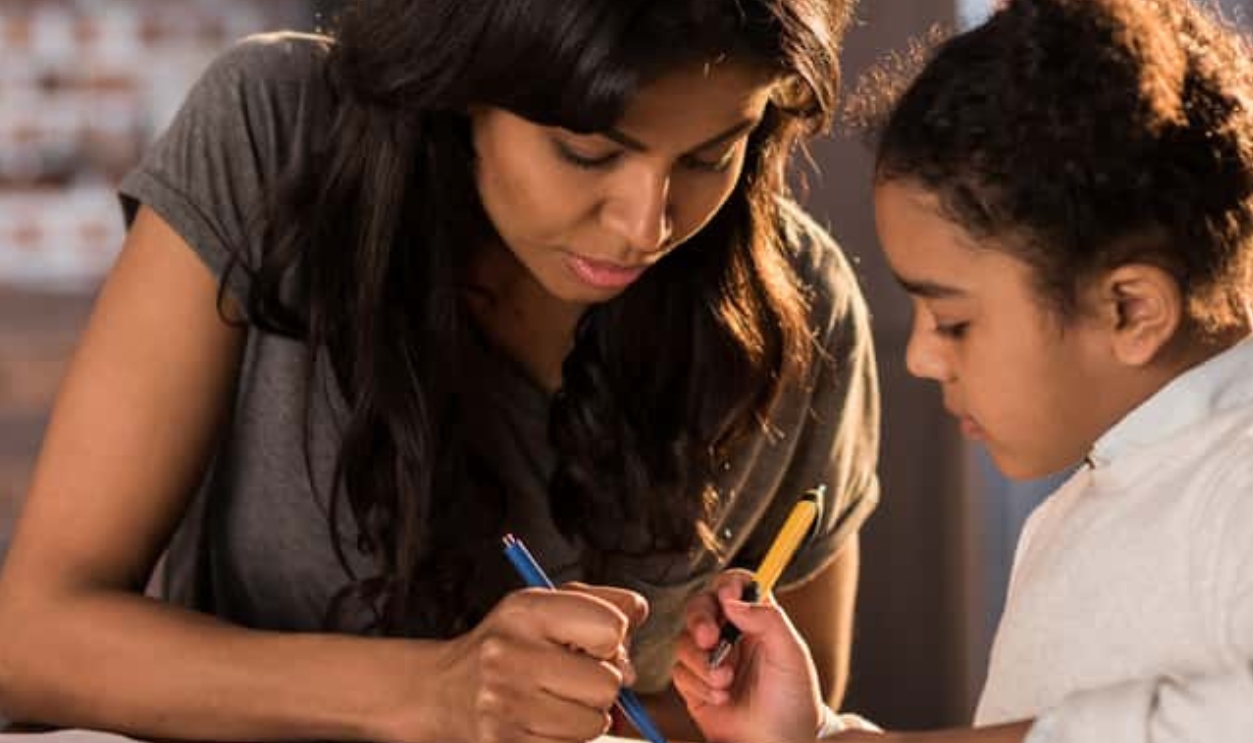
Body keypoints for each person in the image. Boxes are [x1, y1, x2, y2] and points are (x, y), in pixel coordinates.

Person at [0, 0, 881, 741]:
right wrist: (434, 691)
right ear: (464, 82)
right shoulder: (275, 131)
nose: (643, 226)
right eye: (587, 153)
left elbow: (783, 719)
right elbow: (31, 643)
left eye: (709, 156)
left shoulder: (803, 311)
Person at [673, 0, 1253, 741]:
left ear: (1130, 310)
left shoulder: (1234, 485)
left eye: (952, 322)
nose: (920, 357)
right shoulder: (1108, 493)